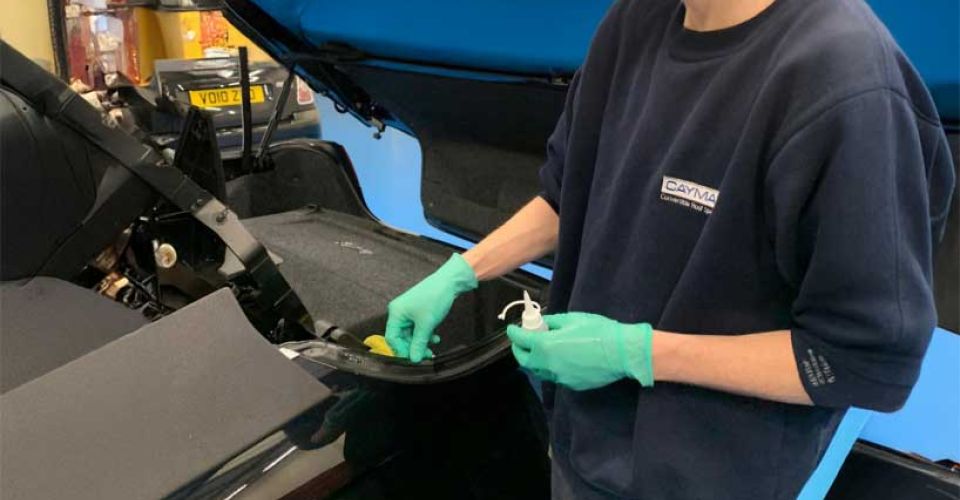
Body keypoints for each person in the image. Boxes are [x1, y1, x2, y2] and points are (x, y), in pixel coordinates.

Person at [384, 0, 956, 498]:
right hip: (585, 444)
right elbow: (568, 192)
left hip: (711, 476)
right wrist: (462, 271)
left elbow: (855, 360)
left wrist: (637, 354)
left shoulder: (844, 81)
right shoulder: (634, 21)